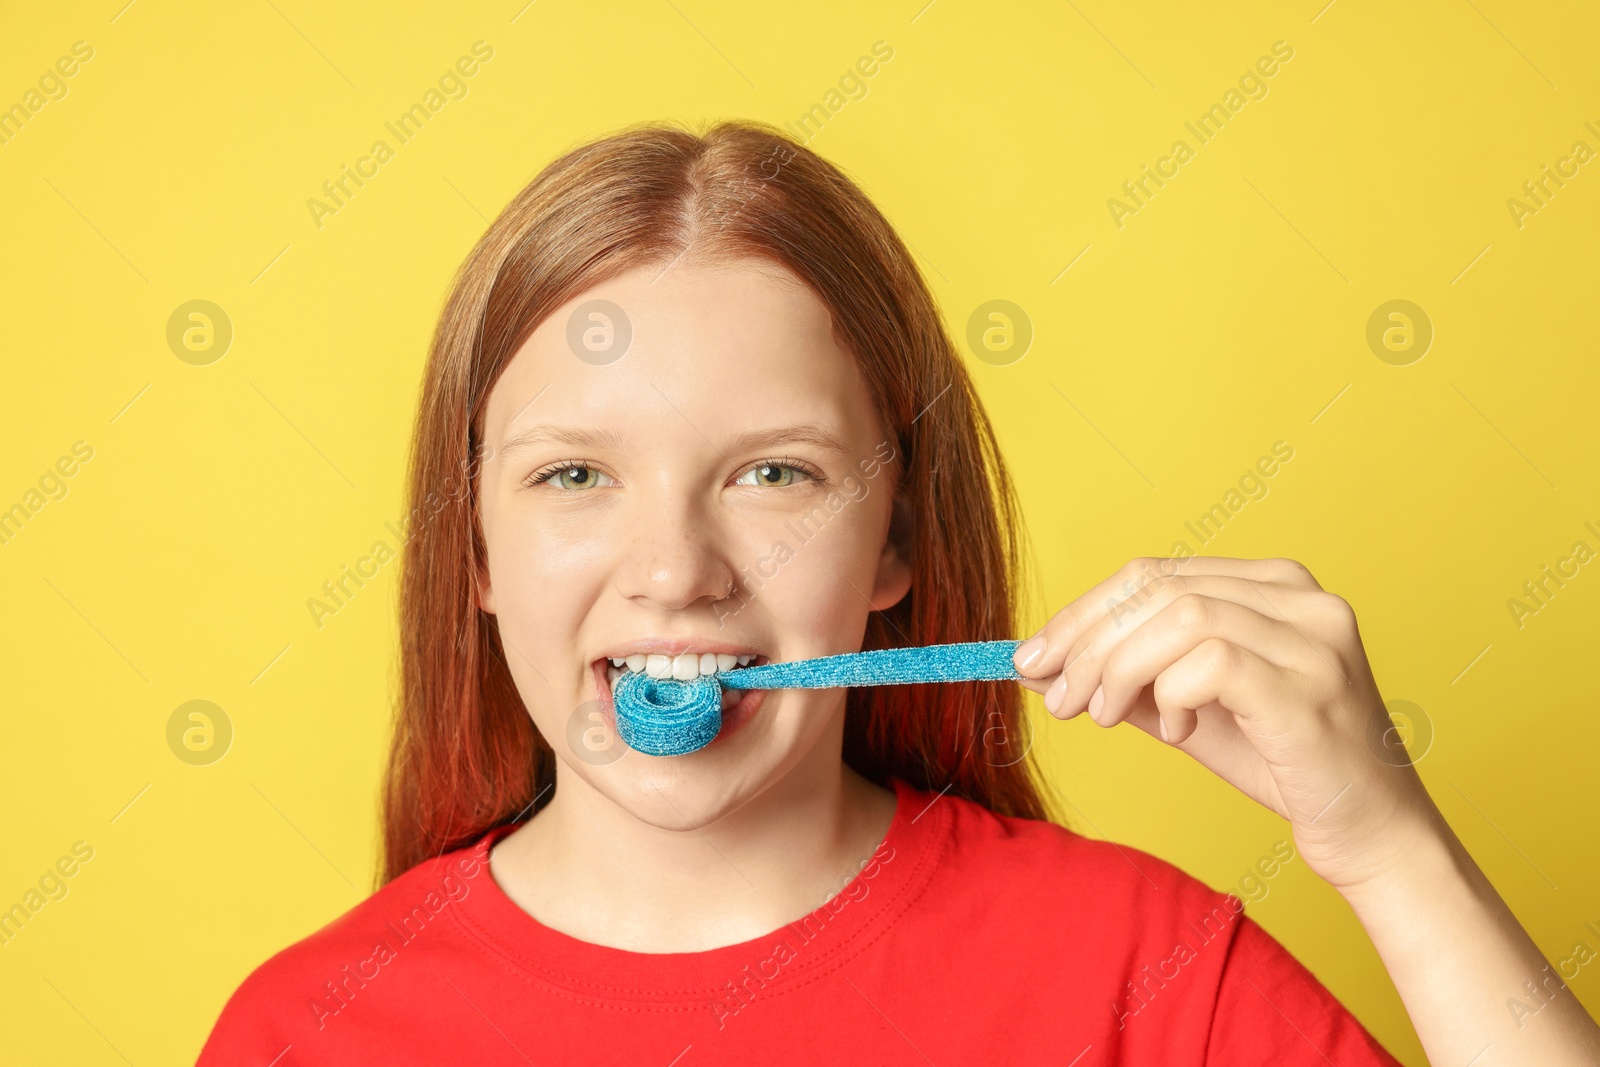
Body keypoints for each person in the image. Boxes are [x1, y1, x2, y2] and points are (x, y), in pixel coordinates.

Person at [196, 120, 1600, 1065]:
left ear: (897, 546)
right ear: (480, 554)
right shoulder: (308, 1029)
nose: (677, 569)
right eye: (574, 477)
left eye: (775, 476)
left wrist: (1385, 846)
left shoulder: (1142, 974)